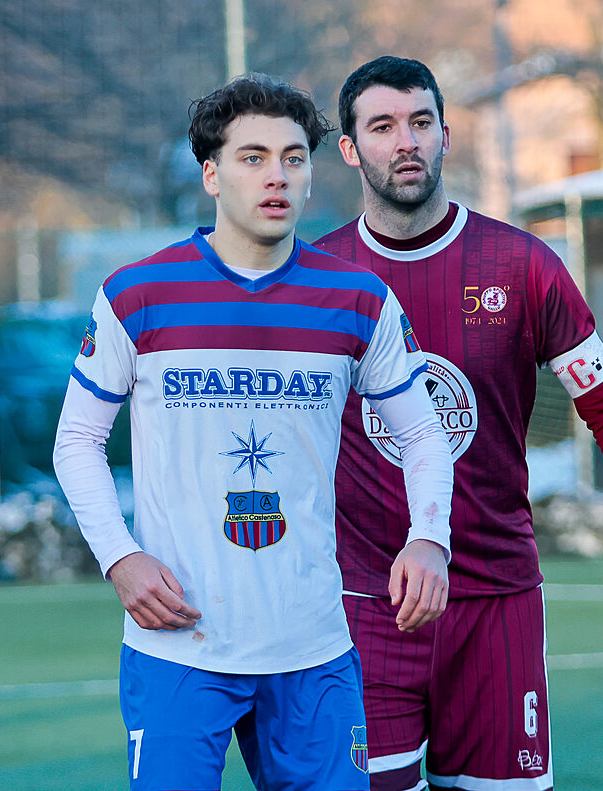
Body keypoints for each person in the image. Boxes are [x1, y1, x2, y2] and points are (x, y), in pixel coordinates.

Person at [53, 73, 454, 791]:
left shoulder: (360, 299)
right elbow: (76, 440)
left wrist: (429, 536)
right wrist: (121, 558)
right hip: (179, 645)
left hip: (312, 647)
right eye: (253, 157)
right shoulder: (137, 294)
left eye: (294, 158)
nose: (277, 176)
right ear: (211, 175)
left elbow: (424, 433)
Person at [316, 56, 603, 791]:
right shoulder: (319, 278)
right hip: (362, 608)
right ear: (350, 149)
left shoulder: (521, 265)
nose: (406, 141)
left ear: (446, 135)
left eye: (421, 122)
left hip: (495, 605)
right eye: (383, 126)